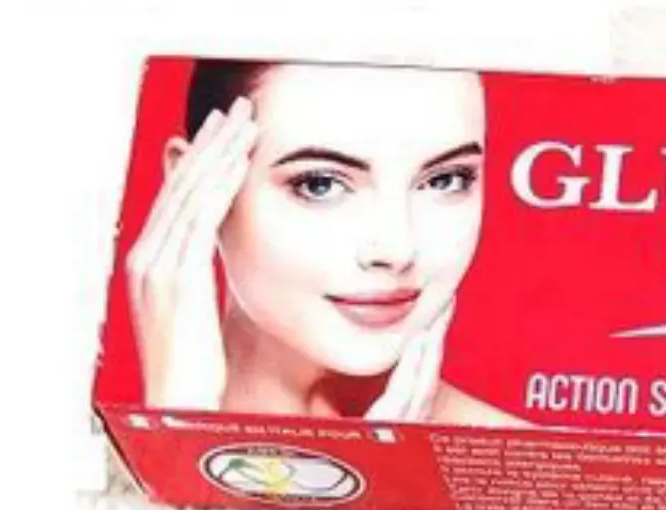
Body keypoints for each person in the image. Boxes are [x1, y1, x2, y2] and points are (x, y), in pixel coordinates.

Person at [126, 59, 512, 422]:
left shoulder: (523, 462)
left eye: (445, 180)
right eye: (320, 185)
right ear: (193, 184)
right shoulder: (94, 449)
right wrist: (174, 425)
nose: (397, 250)